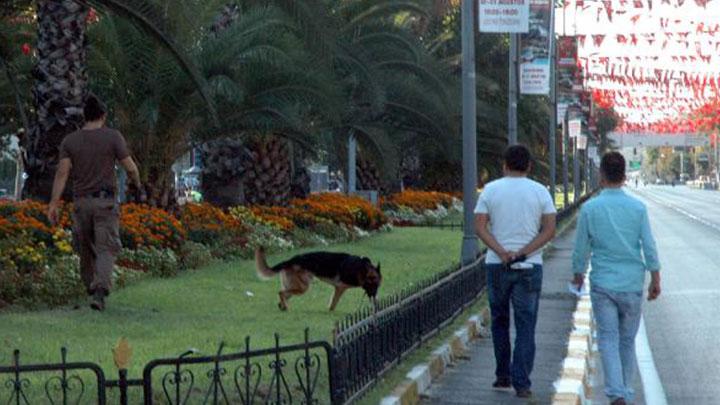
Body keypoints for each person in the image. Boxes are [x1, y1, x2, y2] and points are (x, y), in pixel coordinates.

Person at [571, 152, 661, 405]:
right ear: (623, 176)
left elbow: (581, 248)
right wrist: (655, 278)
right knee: (627, 341)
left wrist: (578, 274)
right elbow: (649, 246)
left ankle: (616, 393)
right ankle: (625, 391)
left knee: (608, 339)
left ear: (601, 175)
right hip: (632, 284)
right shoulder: (638, 208)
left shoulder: (590, 208)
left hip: (603, 284)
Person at [474, 145, 557, 398]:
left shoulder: (491, 190)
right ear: (529, 166)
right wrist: (522, 252)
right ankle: (522, 382)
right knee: (526, 325)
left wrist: (502, 252)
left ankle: (502, 375)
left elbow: (479, 227)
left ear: (504, 165)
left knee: (499, 321)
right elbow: (549, 230)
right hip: (529, 266)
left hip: (497, 265)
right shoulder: (540, 191)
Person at [47, 93, 143, 311]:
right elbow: (130, 167)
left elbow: (62, 173)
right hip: (105, 203)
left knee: (86, 248)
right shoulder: (113, 137)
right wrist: (136, 182)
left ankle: (90, 285)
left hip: (80, 204)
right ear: (103, 115)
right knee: (106, 247)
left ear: (85, 116)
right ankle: (99, 292)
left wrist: (54, 203)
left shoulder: (70, 140)